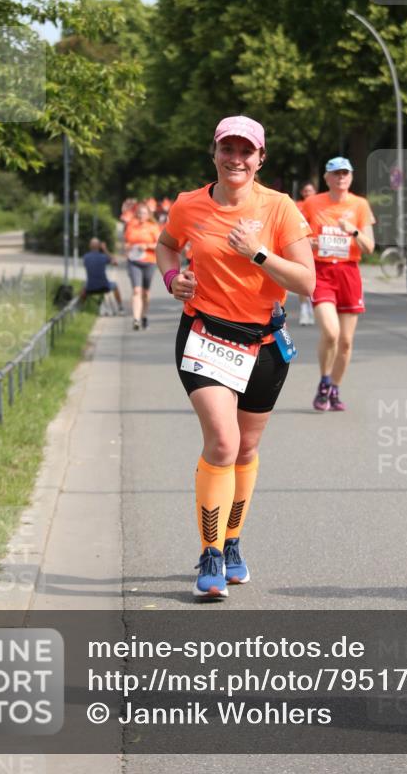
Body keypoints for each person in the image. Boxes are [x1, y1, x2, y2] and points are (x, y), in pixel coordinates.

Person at [156, 116, 314, 600]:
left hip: (264, 345)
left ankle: (232, 540)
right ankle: (210, 554)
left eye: (247, 151)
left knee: (245, 451)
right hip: (204, 337)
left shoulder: (280, 208)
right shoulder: (189, 205)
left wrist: (259, 254)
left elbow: (306, 283)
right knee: (222, 444)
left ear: (260, 159)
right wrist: (171, 278)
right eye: (228, 149)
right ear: (215, 152)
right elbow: (166, 246)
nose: (236, 159)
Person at [300, 156, 375, 412]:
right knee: (331, 333)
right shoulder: (312, 203)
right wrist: (307, 242)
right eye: (336, 173)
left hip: (348, 273)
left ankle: (334, 388)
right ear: (327, 178)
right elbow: (296, 235)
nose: (341, 177)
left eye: (345, 173)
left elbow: (369, 246)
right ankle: (324, 380)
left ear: (351, 177)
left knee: (345, 341)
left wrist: (353, 230)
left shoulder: (360, 205)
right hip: (321, 271)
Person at [123, 202, 160, 330]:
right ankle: (136, 319)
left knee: (145, 292)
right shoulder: (131, 226)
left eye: (143, 213)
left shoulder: (153, 227)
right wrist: (127, 248)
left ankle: (144, 316)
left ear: (148, 214)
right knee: (136, 290)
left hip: (149, 261)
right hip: (133, 261)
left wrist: (147, 246)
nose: (141, 215)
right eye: (139, 212)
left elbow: (160, 245)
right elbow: (127, 242)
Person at [80, 238, 124, 313]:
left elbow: (85, 265)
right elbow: (115, 262)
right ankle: (120, 307)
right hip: (104, 286)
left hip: (90, 288)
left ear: (90, 246)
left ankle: (81, 307)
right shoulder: (104, 257)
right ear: (99, 246)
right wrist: (105, 249)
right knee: (115, 285)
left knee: (83, 285)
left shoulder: (86, 257)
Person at [296, 182, 317, 325]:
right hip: (304, 247)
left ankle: (314, 306)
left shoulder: (320, 205)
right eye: (306, 191)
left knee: (316, 282)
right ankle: (304, 309)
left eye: (310, 191)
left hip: (320, 248)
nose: (308, 193)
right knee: (303, 280)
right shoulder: (298, 206)